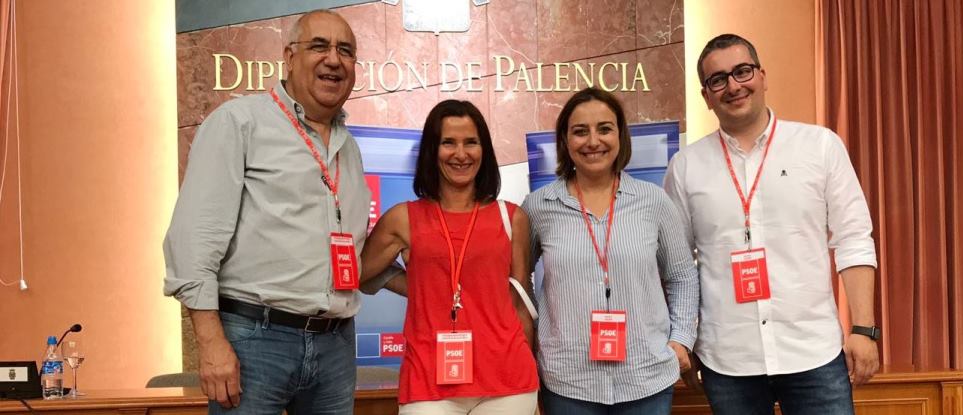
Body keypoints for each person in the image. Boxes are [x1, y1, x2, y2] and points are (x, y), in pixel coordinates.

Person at [163, 9, 368, 414]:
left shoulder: (350, 148)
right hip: (254, 341)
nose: (333, 59)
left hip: (336, 346)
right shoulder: (239, 122)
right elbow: (193, 243)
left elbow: (355, 252)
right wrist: (210, 343)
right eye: (319, 46)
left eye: (345, 50)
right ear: (289, 57)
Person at [663, 34, 880, 414]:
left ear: (762, 75)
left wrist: (863, 329)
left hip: (813, 351)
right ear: (706, 96)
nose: (733, 85)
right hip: (728, 358)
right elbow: (678, 266)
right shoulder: (686, 167)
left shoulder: (820, 146)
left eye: (742, 71)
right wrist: (684, 337)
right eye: (718, 79)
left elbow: (853, 239)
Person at [521, 87, 699, 414]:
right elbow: (517, 282)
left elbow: (683, 275)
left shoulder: (653, 201)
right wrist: (543, 331)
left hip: (646, 377)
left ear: (620, 135)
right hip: (568, 381)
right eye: (580, 131)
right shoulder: (538, 206)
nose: (593, 141)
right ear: (564, 140)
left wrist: (681, 338)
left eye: (604, 128)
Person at [359, 99, 539, 414]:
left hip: (508, 380)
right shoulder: (403, 218)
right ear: (432, 150)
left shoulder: (511, 218)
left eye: (471, 142)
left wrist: (535, 375)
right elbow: (358, 274)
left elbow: (520, 305)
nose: (460, 153)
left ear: (484, 150)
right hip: (429, 380)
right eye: (448, 143)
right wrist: (416, 284)